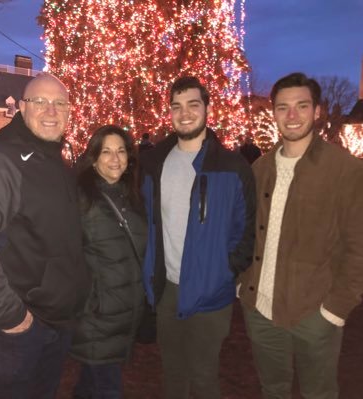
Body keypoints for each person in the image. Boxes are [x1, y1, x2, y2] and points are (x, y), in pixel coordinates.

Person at [0, 73, 90, 399]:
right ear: (22, 107)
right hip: (17, 328)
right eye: (40, 102)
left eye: (59, 103)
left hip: (56, 321)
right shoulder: (1, 163)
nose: (51, 111)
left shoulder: (58, 162)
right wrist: (10, 314)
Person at [239, 72, 363, 399]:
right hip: (261, 310)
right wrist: (242, 283)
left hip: (314, 312)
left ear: (317, 111)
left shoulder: (345, 170)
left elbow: (359, 247)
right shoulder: (259, 169)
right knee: (273, 389)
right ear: (274, 113)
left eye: (301, 106)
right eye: (283, 108)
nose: (292, 116)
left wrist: (335, 309)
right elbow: (242, 231)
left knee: (318, 393)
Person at [140, 76, 256, 399]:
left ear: (207, 108)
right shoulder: (153, 164)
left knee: (204, 377)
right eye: (176, 106)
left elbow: (246, 230)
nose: (185, 113)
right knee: (173, 374)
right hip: (167, 291)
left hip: (210, 293)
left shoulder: (232, 167)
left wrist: (225, 271)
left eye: (193, 104)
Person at [70, 125, 147, 399]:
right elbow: (67, 257)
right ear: (93, 158)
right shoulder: (81, 198)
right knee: (108, 389)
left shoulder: (133, 196)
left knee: (91, 384)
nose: (115, 159)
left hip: (125, 316)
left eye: (121, 151)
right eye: (106, 152)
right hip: (97, 318)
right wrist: (89, 303)